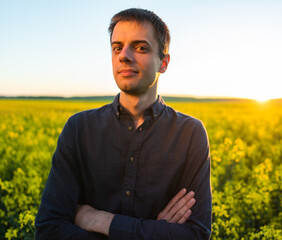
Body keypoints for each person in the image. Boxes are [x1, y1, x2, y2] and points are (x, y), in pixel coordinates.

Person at [35, 8, 212, 239]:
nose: (124, 56)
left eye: (140, 48)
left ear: (164, 63)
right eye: (117, 47)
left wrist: (100, 220)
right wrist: (153, 231)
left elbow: (195, 234)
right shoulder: (79, 128)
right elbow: (49, 229)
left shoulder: (190, 133)